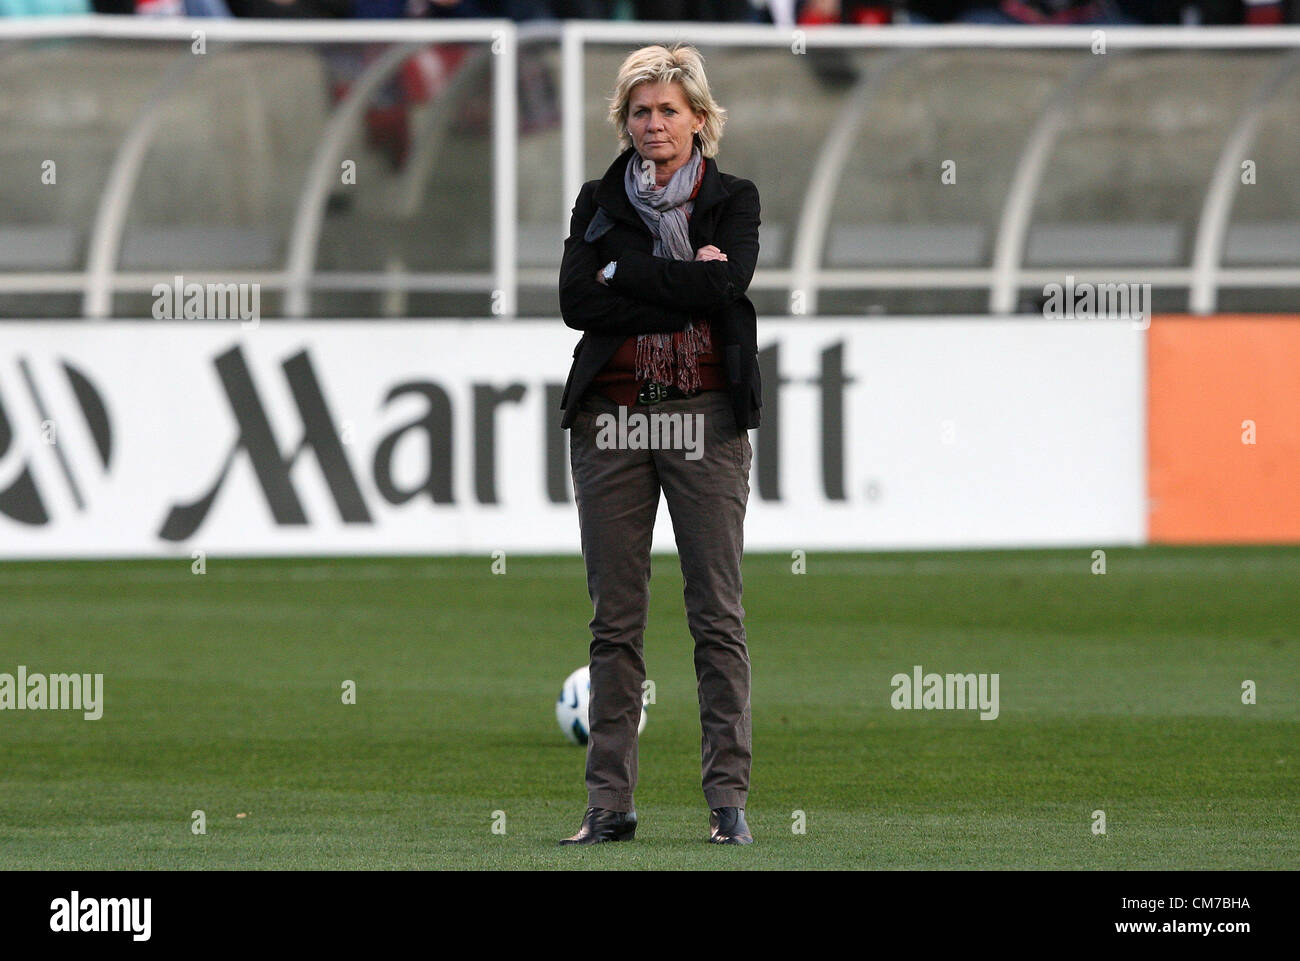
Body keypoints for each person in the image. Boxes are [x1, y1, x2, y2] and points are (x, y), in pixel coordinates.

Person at [556, 43, 762, 846]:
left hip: (705, 416)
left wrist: (622, 275)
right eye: (640, 111)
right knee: (615, 621)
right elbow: (577, 302)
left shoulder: (735, 199)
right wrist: (673, 286)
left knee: (716, 613)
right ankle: (609, 805)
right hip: (611, 419)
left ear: (700, 120)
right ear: (624, 120)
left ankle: (728, 805)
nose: (653, 124)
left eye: (668, 110)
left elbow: (724, 287)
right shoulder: (596, 200)